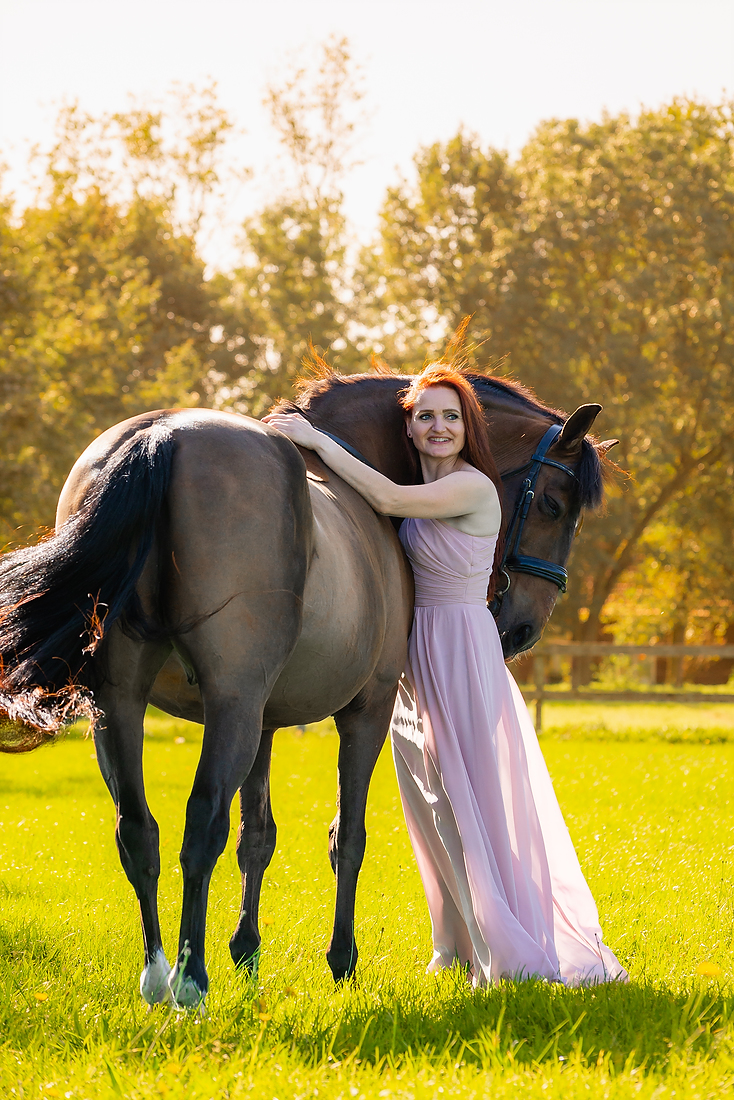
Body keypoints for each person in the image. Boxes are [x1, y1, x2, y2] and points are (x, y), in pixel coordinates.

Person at [263, 363, 627, 986]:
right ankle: (452, 943)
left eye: (451, 417)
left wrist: (320, 442)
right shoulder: (427, 480)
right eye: (425, 415)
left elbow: (388, 500)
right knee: (428, 803)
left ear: (468, 428)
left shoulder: (473, 487)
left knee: (464, 800)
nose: (438, 427)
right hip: (419, 655)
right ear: (409, 427)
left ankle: (501, 950)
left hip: (459, 649)